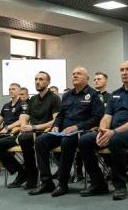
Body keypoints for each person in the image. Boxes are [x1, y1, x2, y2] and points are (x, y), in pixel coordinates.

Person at [78, 60, 128, 200]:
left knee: (115, 140)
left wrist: (114, 132)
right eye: (122, 70)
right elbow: (106, 117)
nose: (124, 73)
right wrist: (102, 130)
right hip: (112, 132)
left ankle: (120, 185)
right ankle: (98, 183)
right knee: (84, 140)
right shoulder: (115, 94)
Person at [31, 67, 104, 197]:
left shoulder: (93, 95)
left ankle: (62, 183)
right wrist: (56, 125)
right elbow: (60, 115)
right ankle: (46, 182)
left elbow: (97, 118)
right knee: (40, 141)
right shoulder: (67, 95)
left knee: (67, 142)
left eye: (79, 74)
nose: (75, 76)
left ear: (87, 78)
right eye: (73, 74)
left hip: (81, 131)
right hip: (63, 131)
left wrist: (76, 127)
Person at [0, 72, 60, 189]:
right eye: (36, 79)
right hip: (28, 132)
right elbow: (24, 117)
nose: (38, 82)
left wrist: (34, 128)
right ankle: (21, 172)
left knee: (24, 139)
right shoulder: (33, 99)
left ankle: (32, 176)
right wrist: (24, 127)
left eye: (41, 79)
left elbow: (56, 121)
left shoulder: (54, 98)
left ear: (48, 82)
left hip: (43, 132)